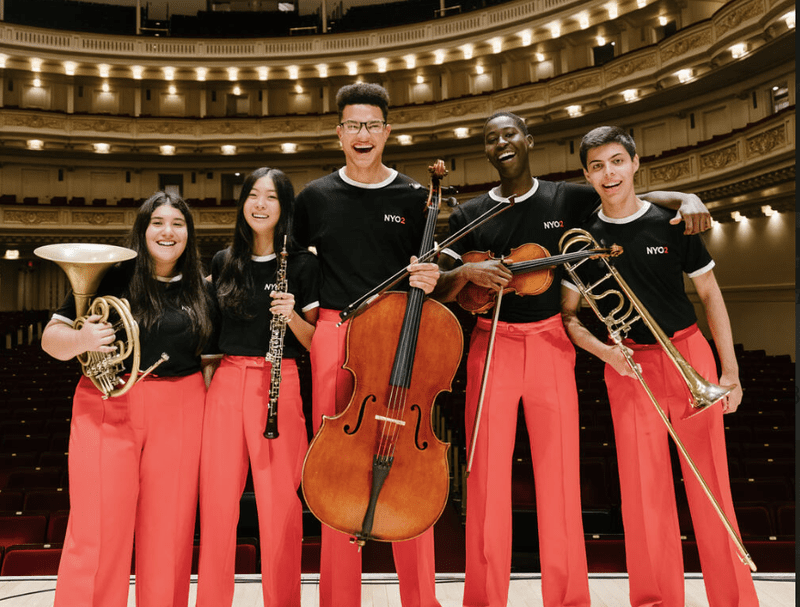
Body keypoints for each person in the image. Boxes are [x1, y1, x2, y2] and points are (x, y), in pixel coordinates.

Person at [432, 112, 712, 607]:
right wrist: (471, 277)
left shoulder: (567, 197)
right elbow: (446, 284)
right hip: (489, 342)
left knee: (560, 475)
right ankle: (483, 598)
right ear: (486, 150)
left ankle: (567, 598)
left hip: (550, 342)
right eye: (491, 138)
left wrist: (686, 197)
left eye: (510, 133)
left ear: (528, 140)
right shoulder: (469, 212)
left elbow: (626, 199)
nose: (502, 143)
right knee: (486, 477)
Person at [560, 126, 758, 607]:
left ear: (634, 163)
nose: (609, 173)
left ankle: (733, 600)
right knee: (643, 495)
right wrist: (604, 351)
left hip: (689, 354)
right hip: (627, 367)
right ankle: (655, 600)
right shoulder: (584, 241)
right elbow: (569, 316)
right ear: (587, 175)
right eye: (597, 166)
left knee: (710, 483)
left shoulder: (672, 224)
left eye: (616, 161)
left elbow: (711, 296)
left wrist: (729, 374)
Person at [293, 82, 441, 607]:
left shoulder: (413, 197)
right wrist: (314, 315)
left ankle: (420, 598)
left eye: (372, 125)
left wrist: (432, 276)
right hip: (336, 333)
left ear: (387, 132)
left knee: (408, 462)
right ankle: (338, 598)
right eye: (353, 125)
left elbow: (431, 266)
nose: (363, 134)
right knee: (335, 465)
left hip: (400, 332)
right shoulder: (313, 198)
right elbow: (299, 265)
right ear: (339, 134)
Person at [41, 192, 215, 607]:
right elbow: (52, 339)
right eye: (157, 222)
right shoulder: (113, 275)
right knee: (97, 531)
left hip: (182, 411)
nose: (167, 231)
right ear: (143, 228)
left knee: (169, 533)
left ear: (189, 234)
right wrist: (83, 338)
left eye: (177, 223)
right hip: (107, 404)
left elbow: (210, 361)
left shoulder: (203, 291)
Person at [196, 167, 319, 607]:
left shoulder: (303, 264)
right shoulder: (223, 261)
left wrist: (294, 317)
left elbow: (315, 343)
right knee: (217, 506)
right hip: (227, 383)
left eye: (271, 196)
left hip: (280, 380)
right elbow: (210, 342)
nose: (260, 203)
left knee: (279, 507)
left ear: (284, 207)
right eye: (253, 195)